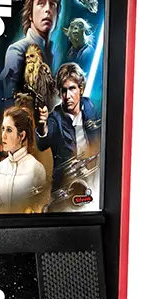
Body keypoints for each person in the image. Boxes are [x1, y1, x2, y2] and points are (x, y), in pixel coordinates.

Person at [35, 62, 99, 201]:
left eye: (72, 88)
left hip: (92, 182)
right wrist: (42, 126)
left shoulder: (89, 106)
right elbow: (42, 143)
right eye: (63, 90)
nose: (67, 95)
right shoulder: (55, 117)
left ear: (81, 89)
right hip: (65, 189)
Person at [0, 106, 48, 213]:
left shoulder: (36, 168)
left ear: (21, 135)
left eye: (9, 130)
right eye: (3, 129)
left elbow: (41, 210)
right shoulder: (1, 167)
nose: (3, 135)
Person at [0, 0, 61, 102]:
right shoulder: (17, 51)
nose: (48, 9)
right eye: (41, 3)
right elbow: (10, 101)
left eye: (53, 4)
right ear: (30, 13)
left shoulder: (53, 54)